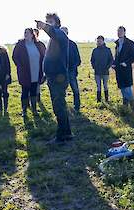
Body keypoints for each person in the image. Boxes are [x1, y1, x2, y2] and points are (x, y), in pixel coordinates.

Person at [36, 13, 72, 144]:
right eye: (46, 21)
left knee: (58, 107)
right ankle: (67, 133)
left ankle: (61, 137)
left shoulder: (60, 34)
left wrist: (44, 26)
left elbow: (52, 32)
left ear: (57, 23)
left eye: (50, 21)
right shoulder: (53, 38)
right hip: (53, 77)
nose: (47, 23)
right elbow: (51, 58)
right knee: (60, 106)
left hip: (58, 78)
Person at [12, 28, 46, 118]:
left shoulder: (38, 44)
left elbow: (44, 56)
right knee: (25, 91)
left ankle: (34, 110)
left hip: (36, 71)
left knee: (34, 91)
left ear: (32, 34)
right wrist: (20, 66)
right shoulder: (20, 45)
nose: (25, 34)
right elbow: (15, 57)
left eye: (27, 33)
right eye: (24, 33)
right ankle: (24, 110)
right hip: (25, 73)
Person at [112, 26, 134, 111]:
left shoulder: (130, 43)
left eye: (121, 31)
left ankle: (133, 108)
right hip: (118, 70)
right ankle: (125, 107)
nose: (119, 33)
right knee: (122, 88)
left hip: (126, 70)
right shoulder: (117, 43)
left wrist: (126, 63)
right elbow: (117, 57)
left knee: (128, 88)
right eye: (118, 31)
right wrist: (114, 64)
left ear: (124, 32)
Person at [60, 27, 81, 113]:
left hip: (71, 71)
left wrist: (73, 67)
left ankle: (77, 106)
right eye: (62, 32)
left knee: (75, 89)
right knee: (61, 91)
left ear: (67, 33)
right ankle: (63, 107)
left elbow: (78, 59)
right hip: (60, 72)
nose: (63, 34)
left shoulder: (72, 44)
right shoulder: (57, 44)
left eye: (65, 32)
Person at [90, 35, 113, 102]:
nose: (99, 42)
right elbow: (92, 60)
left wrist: (107, 67)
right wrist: (94, 67)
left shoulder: (108, 50)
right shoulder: (94, 50)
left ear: (103, 41)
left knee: (105, 85)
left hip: (105, 72)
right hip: (97, 72)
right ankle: (99, 100)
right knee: (98, 86)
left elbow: (111, 60)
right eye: (97, 41)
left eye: (100, 41)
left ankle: (106, 99)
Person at [33, 28, 45, 103]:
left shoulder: (41, 44)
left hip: (38, 67)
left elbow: (44, 55)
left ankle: (38, 98)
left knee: (37, 83)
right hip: (29, 67)